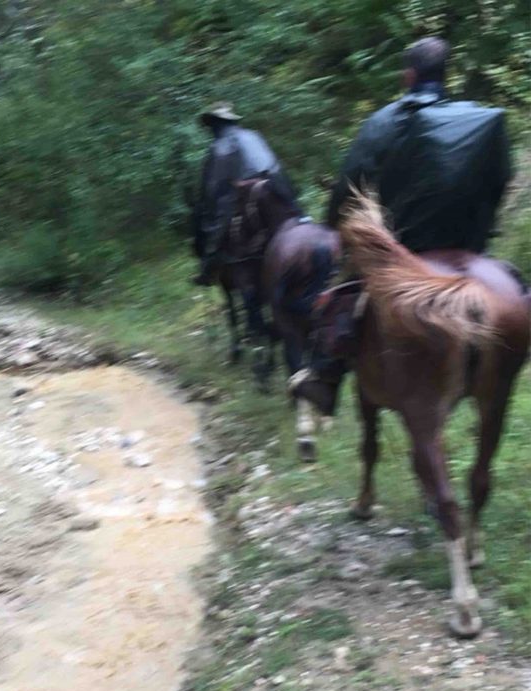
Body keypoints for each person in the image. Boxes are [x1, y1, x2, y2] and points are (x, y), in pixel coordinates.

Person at [291, 36, 514, 415]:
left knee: (339, 292)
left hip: (400, 247)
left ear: (408, 75)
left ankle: (325, 377)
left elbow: (351, 182)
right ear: (445, 74)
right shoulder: (472, 120)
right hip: (466, 245)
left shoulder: (385, 121)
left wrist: (335, 224)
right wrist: (480, 229)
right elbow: (501, 177)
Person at [194, 103, 297, 286]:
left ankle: (208, 266)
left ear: (215, 124)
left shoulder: (218, 147)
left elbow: (213, 191)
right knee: (292, 209)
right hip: (277, 186)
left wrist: (207, 214)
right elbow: (274, 165)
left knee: (214, 223)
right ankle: (302, 218)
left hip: (246, 193)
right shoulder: (253, 135)